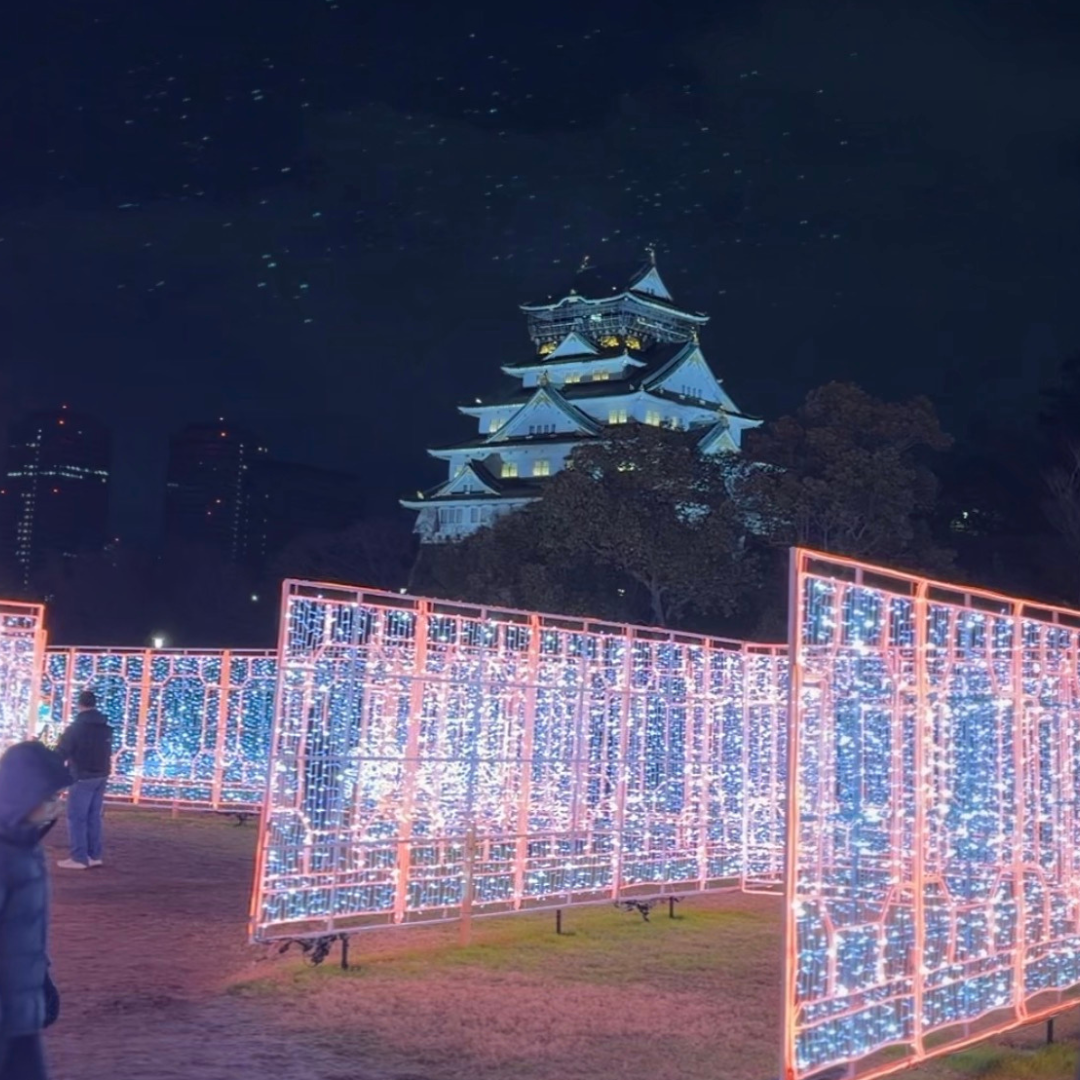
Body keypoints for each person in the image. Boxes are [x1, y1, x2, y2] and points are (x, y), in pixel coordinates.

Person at [0, 740, 73, 1080]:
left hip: (19, 1015)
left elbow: (25, 932)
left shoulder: (27, 848)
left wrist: (41, 982)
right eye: (48, 796)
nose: (55, 805)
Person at [55, 690, 112, 871]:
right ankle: (94, 855)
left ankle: (79, 857)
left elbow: (61, 752)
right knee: (93, 817)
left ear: (79, 705)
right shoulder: (105, 727)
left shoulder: (76, 728)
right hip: (101, 775)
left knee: (77, 817)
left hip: (82, 776)